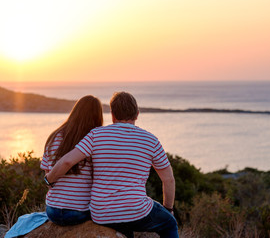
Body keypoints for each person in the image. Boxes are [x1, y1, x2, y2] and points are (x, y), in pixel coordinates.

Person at [45, 91, 178, 238]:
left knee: (123, 228)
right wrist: (168, 208)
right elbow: (168, 179)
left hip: (101, 213)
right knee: (169, 224)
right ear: (137, 114)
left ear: (113, 114)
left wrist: (49, 180)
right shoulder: (151, 140)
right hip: (136, 210)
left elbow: (67, 161)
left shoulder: (96, 135)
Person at [40, 95, 103, 226]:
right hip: (79, 212)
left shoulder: (54, 136)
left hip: (53, 210)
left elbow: (48, 174)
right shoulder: (94, 140)